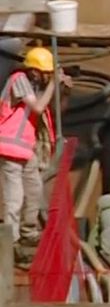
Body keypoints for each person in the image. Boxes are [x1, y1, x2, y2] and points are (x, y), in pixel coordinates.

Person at [0, 47, 63, 266]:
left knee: (34, 190)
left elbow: (53, 109)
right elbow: (37, 107)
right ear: (34, 71)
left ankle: (28, 231)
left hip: (26, 149)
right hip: (8, 147)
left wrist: (62, 88)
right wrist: (54, 84)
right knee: (14, 198)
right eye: (46, 72)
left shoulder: (35, 86)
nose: (47, 76)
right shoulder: (18, 79)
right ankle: (12, 243)